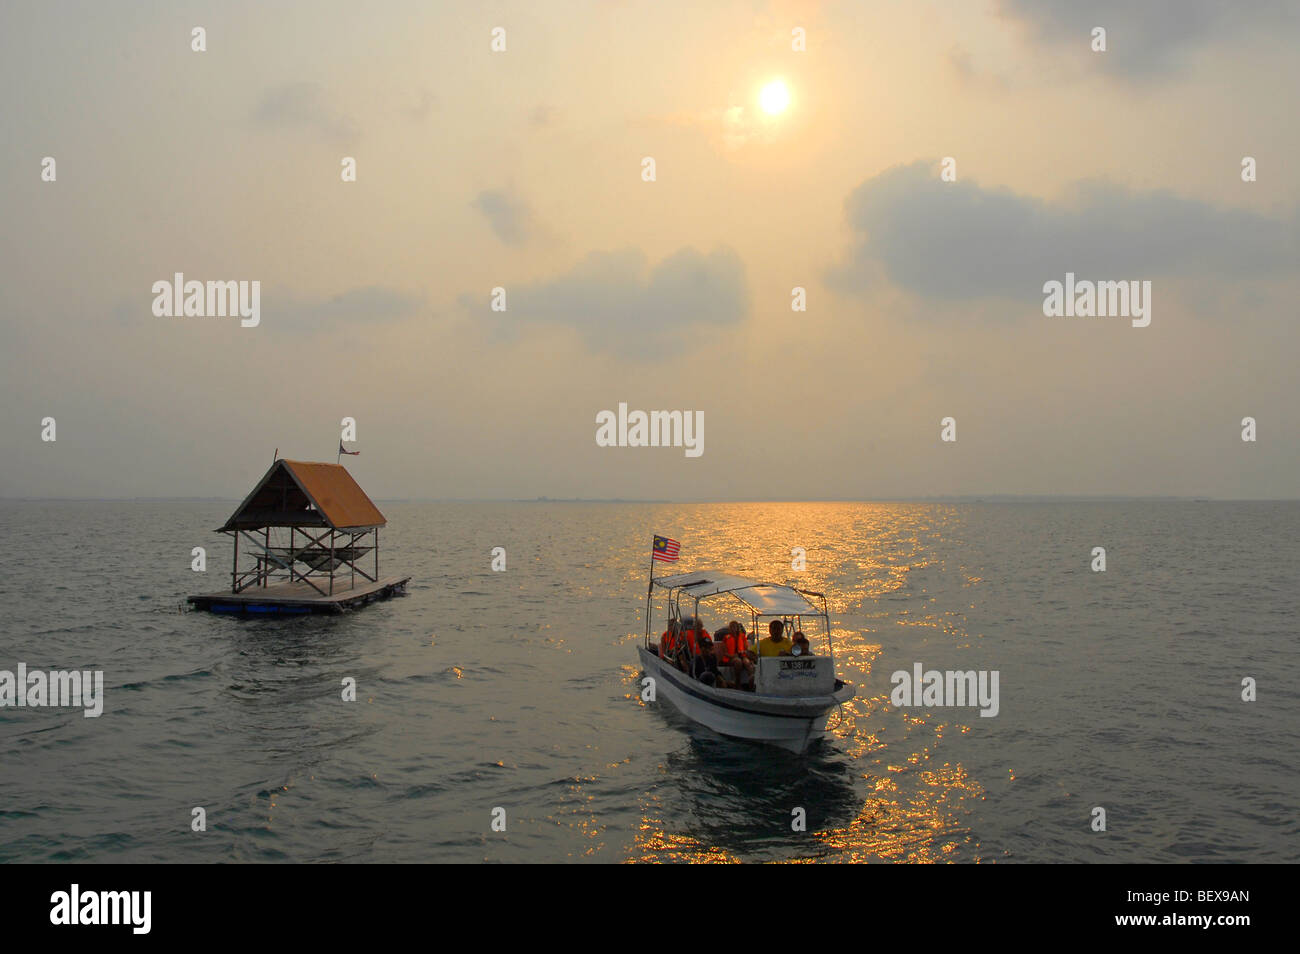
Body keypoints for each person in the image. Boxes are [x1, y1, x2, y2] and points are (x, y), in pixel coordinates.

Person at [718, 620, 755, 689]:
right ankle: (738, 682)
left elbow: (746, 649)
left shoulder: (742, 637)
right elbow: (725, 653)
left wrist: (744, 654)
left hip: (741, 656)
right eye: (731, 627)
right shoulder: (726, 638)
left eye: (734, 627)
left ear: (737, 628)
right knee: (738, 661)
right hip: (730, 658)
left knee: (747, 662)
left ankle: (752, 681)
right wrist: (733, 656)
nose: (733, 629)